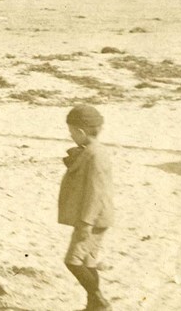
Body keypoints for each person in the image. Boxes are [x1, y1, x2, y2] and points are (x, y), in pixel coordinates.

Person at [59, 104, 114, 311]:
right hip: (97, 218)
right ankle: (94, 306)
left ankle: (99, 300)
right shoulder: (92, 152)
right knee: (89, 263)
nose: (71, 136)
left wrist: (85, 223)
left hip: (92, 220)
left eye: (72, 132)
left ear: (81, 132)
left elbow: (96, 193)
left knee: (73, 261)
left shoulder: (95, 155)